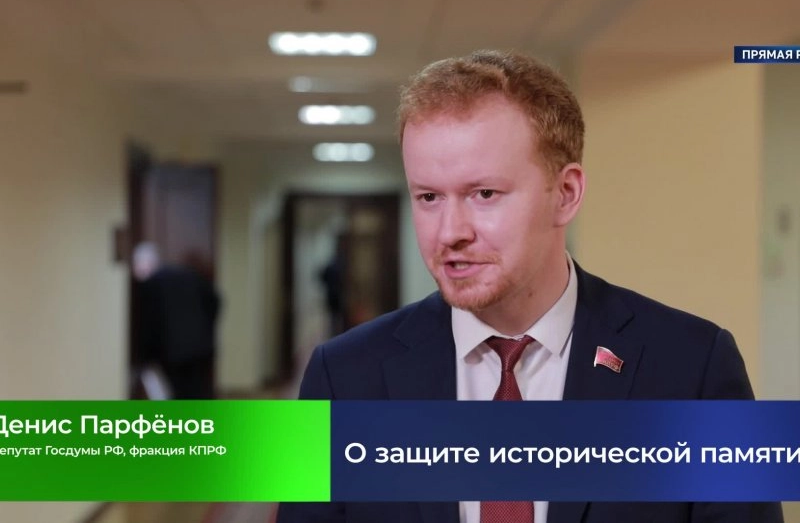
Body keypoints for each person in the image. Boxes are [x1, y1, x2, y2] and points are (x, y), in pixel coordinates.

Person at [276, 50, 783, 523]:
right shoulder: (339, 376)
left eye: (484, 193)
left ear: (565, 193)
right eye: (429, 197)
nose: (450, 232)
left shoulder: (694, 367)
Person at [133, 242, 221, 399]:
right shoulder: (189, 274)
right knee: (201, 392)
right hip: (202, 347)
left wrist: (145, 357)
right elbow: (215, 301)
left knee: (181, 394)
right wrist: (207, 328)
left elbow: (149, 324)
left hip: (174, 353)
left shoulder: (150, 285)